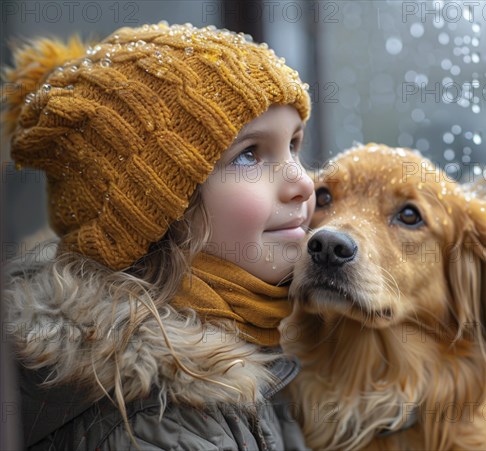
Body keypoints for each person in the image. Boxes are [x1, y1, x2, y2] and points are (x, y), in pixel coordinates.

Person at [2, 22, 315, 450]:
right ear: (161, 210)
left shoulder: (259, 336)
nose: (302, 182)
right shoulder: (159, 416)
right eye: (249, 155)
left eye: (294, 146)